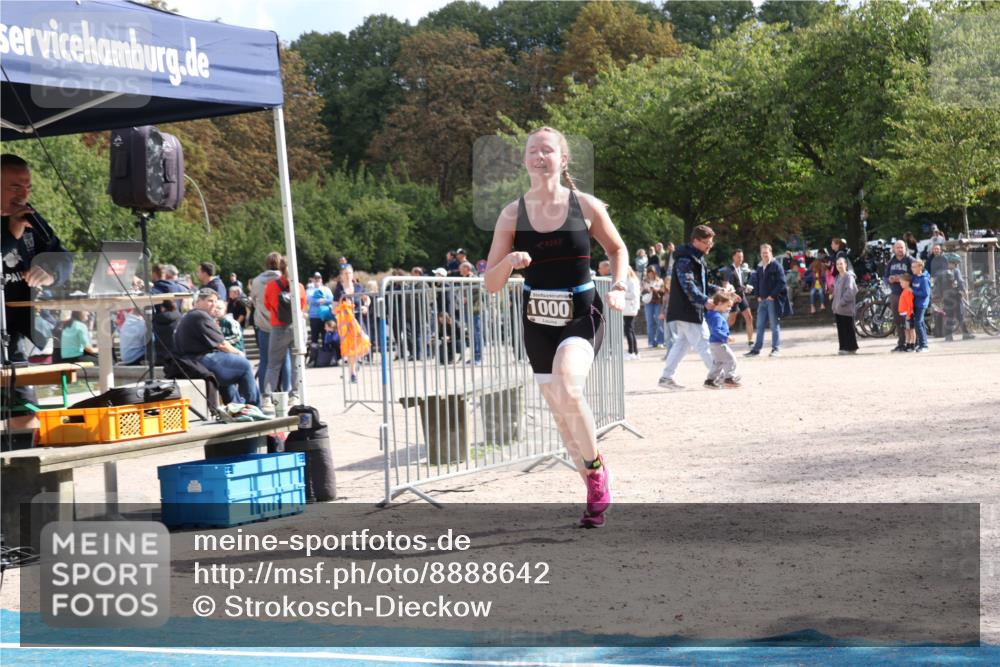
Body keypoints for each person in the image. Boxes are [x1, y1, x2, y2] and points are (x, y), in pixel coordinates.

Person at [484, 126, 626, 528]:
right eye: (533, 150)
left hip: (582, 311)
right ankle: (593, 493)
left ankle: (597, 469)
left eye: (548, 150)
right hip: (537, 322)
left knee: (569, 385)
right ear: (525, 160)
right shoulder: (512, 214)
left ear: (563, 160)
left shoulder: (586, 205)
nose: (539, 156)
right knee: (561, 416)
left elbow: (617, 249)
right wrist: (509, 262)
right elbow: (491, 285)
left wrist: (618, 286)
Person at [2, 154, 73, 429]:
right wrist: (12, 235)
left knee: (26, 417)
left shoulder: (33, 220)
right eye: (15, 187)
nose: (23, 194)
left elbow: (63, 256)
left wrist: (52, 272)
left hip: (14, 334)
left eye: (28, 187)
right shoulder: (19, 223)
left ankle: (23, 469)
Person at [174, 288, 260, 407]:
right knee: (244, 365)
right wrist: (239, 353)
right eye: (210, 301)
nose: (214, 304)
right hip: (199, 359)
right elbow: (222, 344)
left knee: (229, 368)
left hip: (191, 361)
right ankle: (253, 407)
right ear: (198, 301)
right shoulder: (200, 315)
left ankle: (235, 407)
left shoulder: (190, 315)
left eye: (215, 301)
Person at [657, 225, 719, 389]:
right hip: (688, 308)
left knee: (682, 345)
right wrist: (705, 300)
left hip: (685, 308)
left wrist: (718, 290)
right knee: (704, 341)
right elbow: (689, 286)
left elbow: (702, 284)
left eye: (711, 243)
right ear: (695, 241)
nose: (709, 246)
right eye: (706, 242)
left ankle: (666, 377)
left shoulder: (695, 257)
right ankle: (718, 377)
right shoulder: (686, 260)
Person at [262, 255, 306, 407]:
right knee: (296, 364)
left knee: (273, 364)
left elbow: (267, 305)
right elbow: (302, 306)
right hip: (296, 328)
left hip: (278, 327)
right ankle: (295, 395)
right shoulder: (299, 286)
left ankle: (267, 397)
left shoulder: (271, 286)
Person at [250, 252, 290, 396]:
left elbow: (253, 301)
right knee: (285, 359)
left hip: (263, 324)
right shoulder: (284, 279)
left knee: (265, 361)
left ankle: (265, 393)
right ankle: (288, 392)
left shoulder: (256, 281)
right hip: (281, 323)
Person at [746, 243, 789, 357]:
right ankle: (756, 350)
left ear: (771, 253)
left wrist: (772, 296)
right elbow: (756, 282)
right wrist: (758, 296)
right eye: (763, 253)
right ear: (760, 254)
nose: (765, 255)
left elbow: (782, 283)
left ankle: (776, 349)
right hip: (762, 301)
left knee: (774, 326)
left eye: (767, 252)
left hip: (772, 300)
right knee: (759, 326)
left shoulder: (776, 265)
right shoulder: (760, 267)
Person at [703, 292, 740, 389]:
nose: (729, 308)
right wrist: (726, 337)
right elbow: (716, 331)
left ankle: (709, 381)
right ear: (719, 303)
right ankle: (729, 379)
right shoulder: (717, 317)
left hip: (713, 344)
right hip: (719, 343)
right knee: (731, 360)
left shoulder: (710, 314)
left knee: (718, 363)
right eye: (727, 306)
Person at [884, 240, 913, 353]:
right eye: (897, 248)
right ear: (894, 249)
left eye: (901, 247)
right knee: (897, 319)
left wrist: (901, 278)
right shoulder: (891, 262)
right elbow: (885, 276)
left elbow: (914, 274)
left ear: (905, 248)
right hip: (895, 293)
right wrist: (889, 280)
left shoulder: (910, 260)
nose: (900, 250)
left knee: (908, 319)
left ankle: (912, 342)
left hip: (907, 294)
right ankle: (901, 343)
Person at [721, 249, 754, 347]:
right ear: (733, 257)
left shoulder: (740, 269)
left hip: (741, 296)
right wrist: (732, 295)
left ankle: (750, 341)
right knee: (731, 320)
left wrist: (745, 287)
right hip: (733, 297)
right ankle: (720, 337)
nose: (741, 259)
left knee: (749, 317)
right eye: (738, 257)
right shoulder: (728, 270)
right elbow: (726, 285)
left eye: (742, 257)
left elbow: (738, 284)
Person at [941, 253, 975, 342]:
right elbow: (960, 282)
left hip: (946, 297)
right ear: (955, 262)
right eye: (956, 263)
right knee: (960, 316)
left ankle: (948, 336)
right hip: (956, 296)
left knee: (949, 316)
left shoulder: (943, 272)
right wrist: (963, 291)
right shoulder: (956, 271)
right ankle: (966, 334)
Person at [832, 257, 859, 355]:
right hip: (838, 309)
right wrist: (835, 305)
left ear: (845, 265)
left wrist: (841, 302)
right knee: (841, 329)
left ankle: (850, 347)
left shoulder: (849, 276)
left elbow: (851, 291)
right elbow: (836, 293)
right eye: (837, 264)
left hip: (846, 308)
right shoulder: (838, 277)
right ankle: (843, 347)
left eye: (841, 264)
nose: (839, 266)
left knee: (848, 328)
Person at [640, 266, 665, 348]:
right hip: (648, 303)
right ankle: (651, 342)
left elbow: (664, 291)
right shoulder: (644, 281)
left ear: (655, 273)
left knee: (659, 322)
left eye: (652, 273)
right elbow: (641, 291)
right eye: (649, 273)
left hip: (658, 302)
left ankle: (660, 341)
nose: (650, 275)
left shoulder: (660, 280)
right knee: (650, 322)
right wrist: (647, 289)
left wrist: (655, 289)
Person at [910, 259, 931, 352]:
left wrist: (913, 292)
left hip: (921, 304)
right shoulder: (914, 277)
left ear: (920, 267)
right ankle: (923, 343)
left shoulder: (924, 279)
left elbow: (926, 293)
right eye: (912, 267)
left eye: (914, 267)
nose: (912, 269)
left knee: (918, 323)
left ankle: (924, 345)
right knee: (921, 323)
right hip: (915, 304)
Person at [307, 272, 333, 346]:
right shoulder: (309, 290)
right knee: (314, 338)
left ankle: (325, 355)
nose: (317, 279)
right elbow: (310, 300)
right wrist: (319, 301)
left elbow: (332, 299)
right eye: (315, 278)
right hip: (314, 317)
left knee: (326, 337)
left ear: (321, 279)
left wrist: (324, 301)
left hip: (325, 317)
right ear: (313, 279)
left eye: (319, 278)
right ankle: (314, 356)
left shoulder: (326, 289)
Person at [622, 266, 640, 360]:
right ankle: (635, 352)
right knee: (630, 329)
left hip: (630, 307)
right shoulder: (632, 279)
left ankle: (631, 351)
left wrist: (622, 294)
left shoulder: (631, 280)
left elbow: (633, 294)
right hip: (630, 307)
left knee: (628, 329)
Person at [897, 273, 916, 352]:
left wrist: (908, 314)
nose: (900, 284)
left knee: (911, 330)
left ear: (907, 282)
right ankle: (907, 343)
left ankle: (912, 345)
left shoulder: (908, 291)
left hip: (907, 314)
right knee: (906, 330)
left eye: (902, 282)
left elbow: (910, 305)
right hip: (903, 314)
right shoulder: (905, 290)